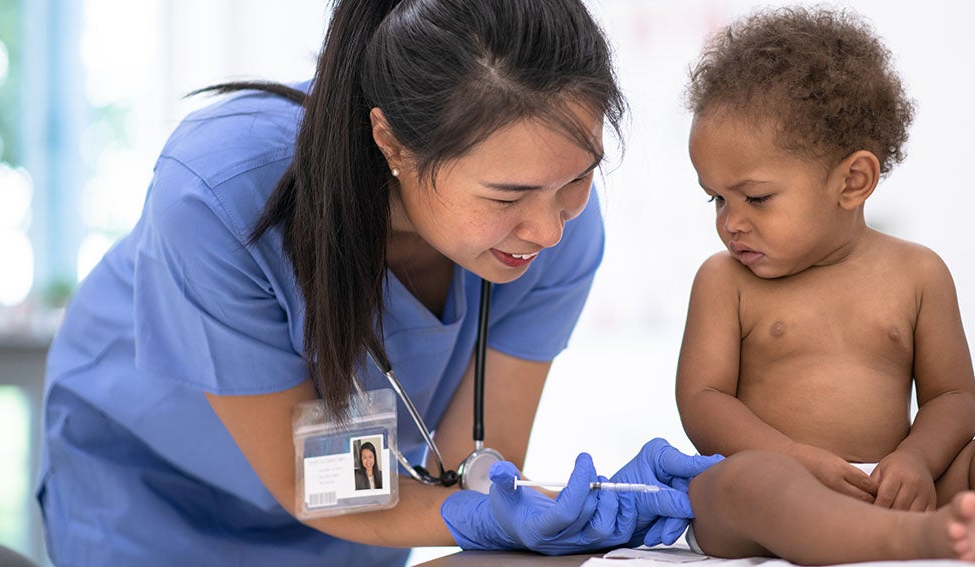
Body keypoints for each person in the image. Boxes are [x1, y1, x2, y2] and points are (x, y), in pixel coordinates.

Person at [35, 0, 720, 565]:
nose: (548, 229)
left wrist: (588, 501)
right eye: (508, 195)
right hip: (152, 498)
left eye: (577, 176)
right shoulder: (216, 198)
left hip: (362, 510)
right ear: (391, 142)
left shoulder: (554, 229)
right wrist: (488, 512)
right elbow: (314, 474)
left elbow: (464, 477)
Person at [675, 7, 975, 566]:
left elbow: (952, 398)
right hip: (778, 487)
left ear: (853, 181)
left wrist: (915, 460)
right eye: (716, 198)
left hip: (895, 486)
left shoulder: (918, 274)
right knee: (746, 483)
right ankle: (914, 540)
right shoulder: (725, 281)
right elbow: (703, 401)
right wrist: (793, 457)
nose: (731, 222)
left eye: (757, 198)